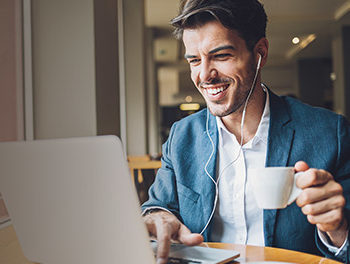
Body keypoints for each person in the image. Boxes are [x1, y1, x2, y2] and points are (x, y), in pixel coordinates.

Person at [142, 0, 350, 263]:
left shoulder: (330, 133)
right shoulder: (182, 136)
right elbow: (157, 206)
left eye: (221, 56)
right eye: (195, 60)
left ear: (260, 52)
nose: (204, 75)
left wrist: (338, 229)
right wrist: (157, 216)